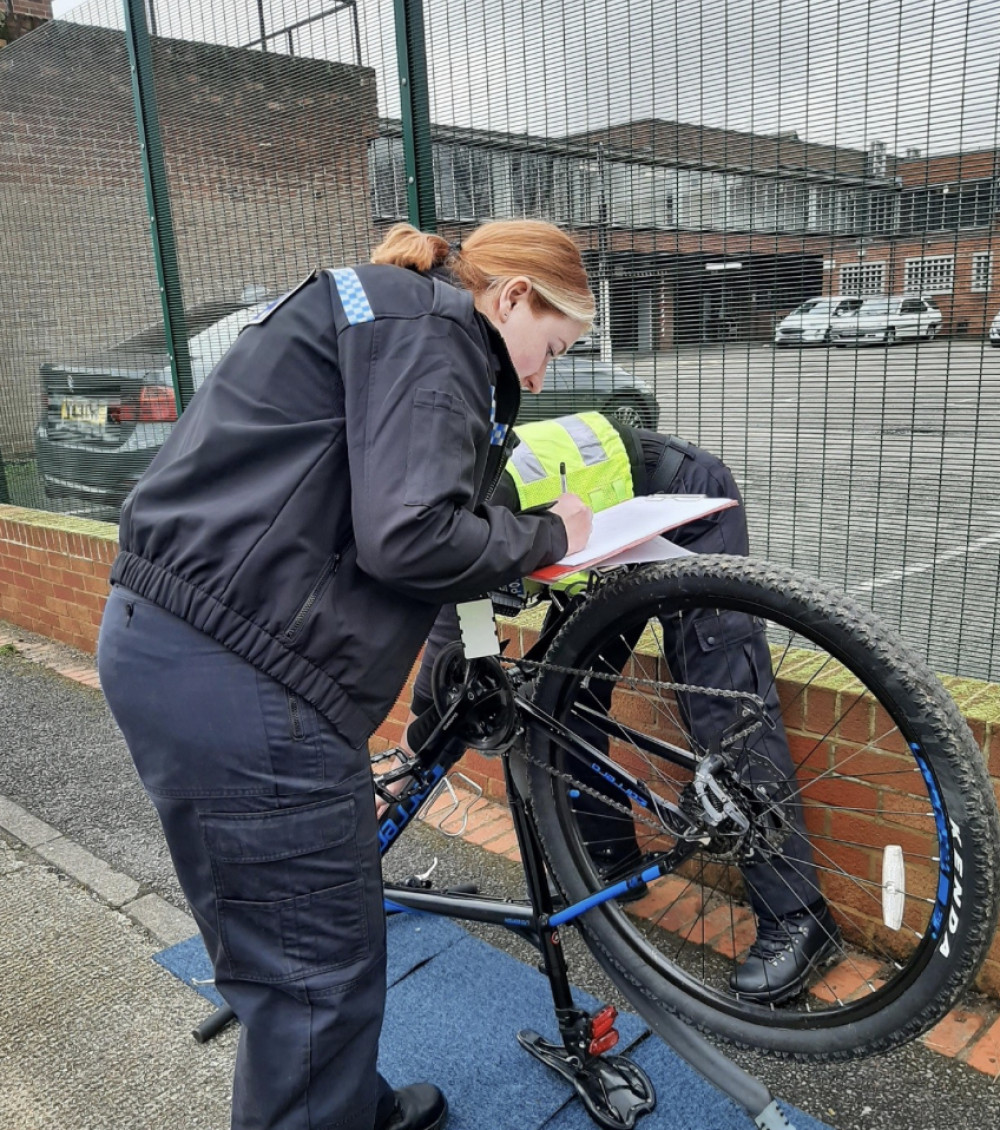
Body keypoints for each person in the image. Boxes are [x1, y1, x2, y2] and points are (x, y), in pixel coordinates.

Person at [96, 219, 597, 1130]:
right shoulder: (440, 329)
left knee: (277, 941)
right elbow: (411, 533)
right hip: (246, 678)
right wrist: (558, 532)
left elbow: (389, 497)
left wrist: (500, 543)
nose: (541, 375)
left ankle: (341, 1107)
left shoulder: (382, 313)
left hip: (166, 643)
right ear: (513, 296)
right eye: (552, 347)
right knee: (316, 973)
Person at [392, 410, 838, 1005]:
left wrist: (404, 765)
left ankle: (800, 918)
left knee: (725, 712)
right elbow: (463, 666)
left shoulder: (461, 501)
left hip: (682, 507)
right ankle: (610, 860)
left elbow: (444, 672)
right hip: (604, 551)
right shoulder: (433, 502)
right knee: (563, 698)